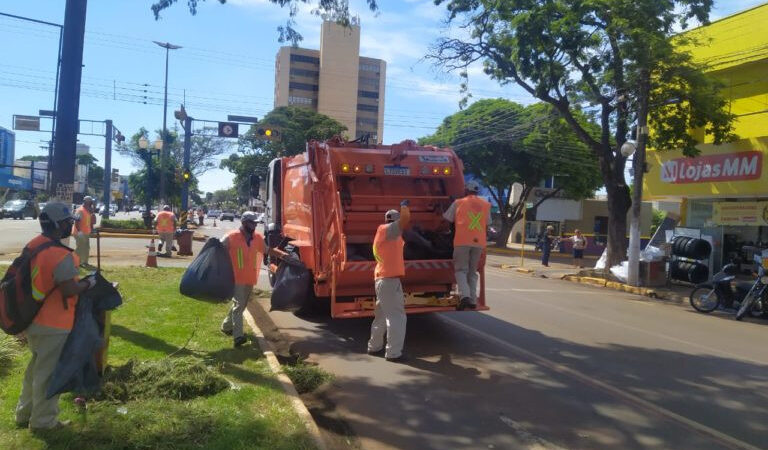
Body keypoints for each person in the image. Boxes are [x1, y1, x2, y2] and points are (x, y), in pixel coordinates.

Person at [15, 202, 96, 431]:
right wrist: (88, 283)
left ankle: (24, 413)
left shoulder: (35, 245)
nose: (69, 225)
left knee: (34, 371)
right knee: (48, 375)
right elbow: (69, 289)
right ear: (56, 224)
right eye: (67, 222)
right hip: (54, 323)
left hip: (33, 319)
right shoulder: (60, 254)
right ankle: (43, 422)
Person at [368, 200, 410, 362]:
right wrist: (405, 206)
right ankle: (393, 353)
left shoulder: (382, 233)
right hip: (389, 281)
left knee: (381, 316)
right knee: (397, 317)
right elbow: (405, 220)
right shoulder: (388, 230)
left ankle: (374, 346)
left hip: (381, 278)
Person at [443, 181, 492, 310]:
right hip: (479, 243)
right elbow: (487, 222)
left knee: (461, 270)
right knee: (472, 272)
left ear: (466, 191)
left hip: (462, 242)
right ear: (477, 192)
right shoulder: (486, 204)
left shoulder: (458, 202)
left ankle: (464, 296)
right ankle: (473, 301)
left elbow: (447, 218)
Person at [220, 212, 265, 348]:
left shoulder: (257, 238)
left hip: (250, 278)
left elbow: (267, 250)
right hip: (235, 278)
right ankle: (238, 336)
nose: (255, 225)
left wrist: (283, 255)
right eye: (253, 223)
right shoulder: (231, 237)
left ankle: (226, 326)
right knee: (239, 306)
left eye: (256, 223)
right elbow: (218, 249)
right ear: (244, 223)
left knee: (241, 305)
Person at [72, 196, 94, 268]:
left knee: (86, 248)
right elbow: (76, 222)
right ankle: (74, 262)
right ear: (87, 202)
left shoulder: (87, 210)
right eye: (90, 202)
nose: (91, 203)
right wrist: (79, 232)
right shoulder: (80, 210)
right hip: (79, 232)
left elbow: (90, 221)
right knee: (80, 248)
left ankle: (84, 262)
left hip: (86, 232)